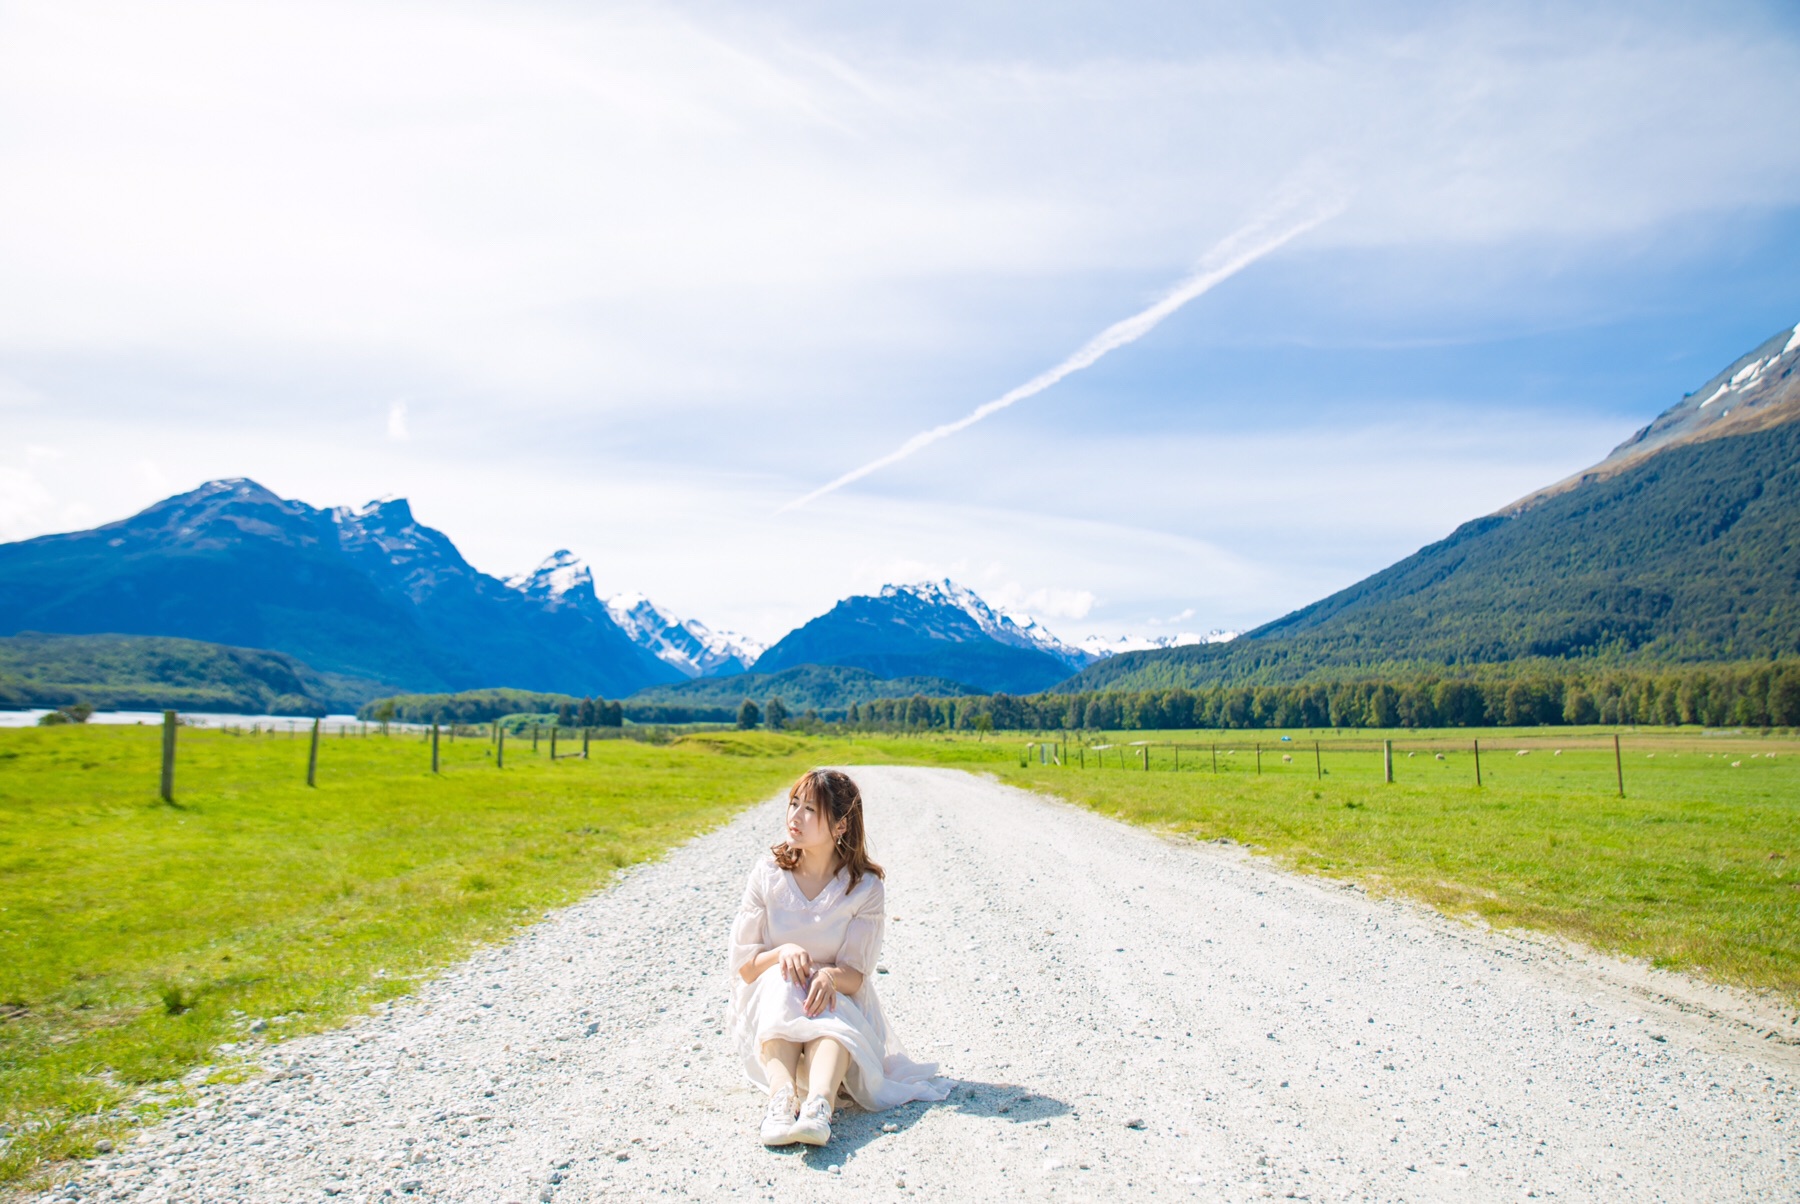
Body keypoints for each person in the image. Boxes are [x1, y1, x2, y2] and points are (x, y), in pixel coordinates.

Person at [728, 769, 950, 1147]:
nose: (794, 817)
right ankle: (781, 1101)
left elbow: (855, 974)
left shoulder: (864, 887)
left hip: (834, 1003)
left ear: (841, 825)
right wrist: (783, 951)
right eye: (793, 804)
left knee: (825, 997)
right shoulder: (767, 875)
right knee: (785, 979)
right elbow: (746, 967)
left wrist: (828, 976)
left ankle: (818, 1106)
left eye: (810, 809)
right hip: (770, 1005)